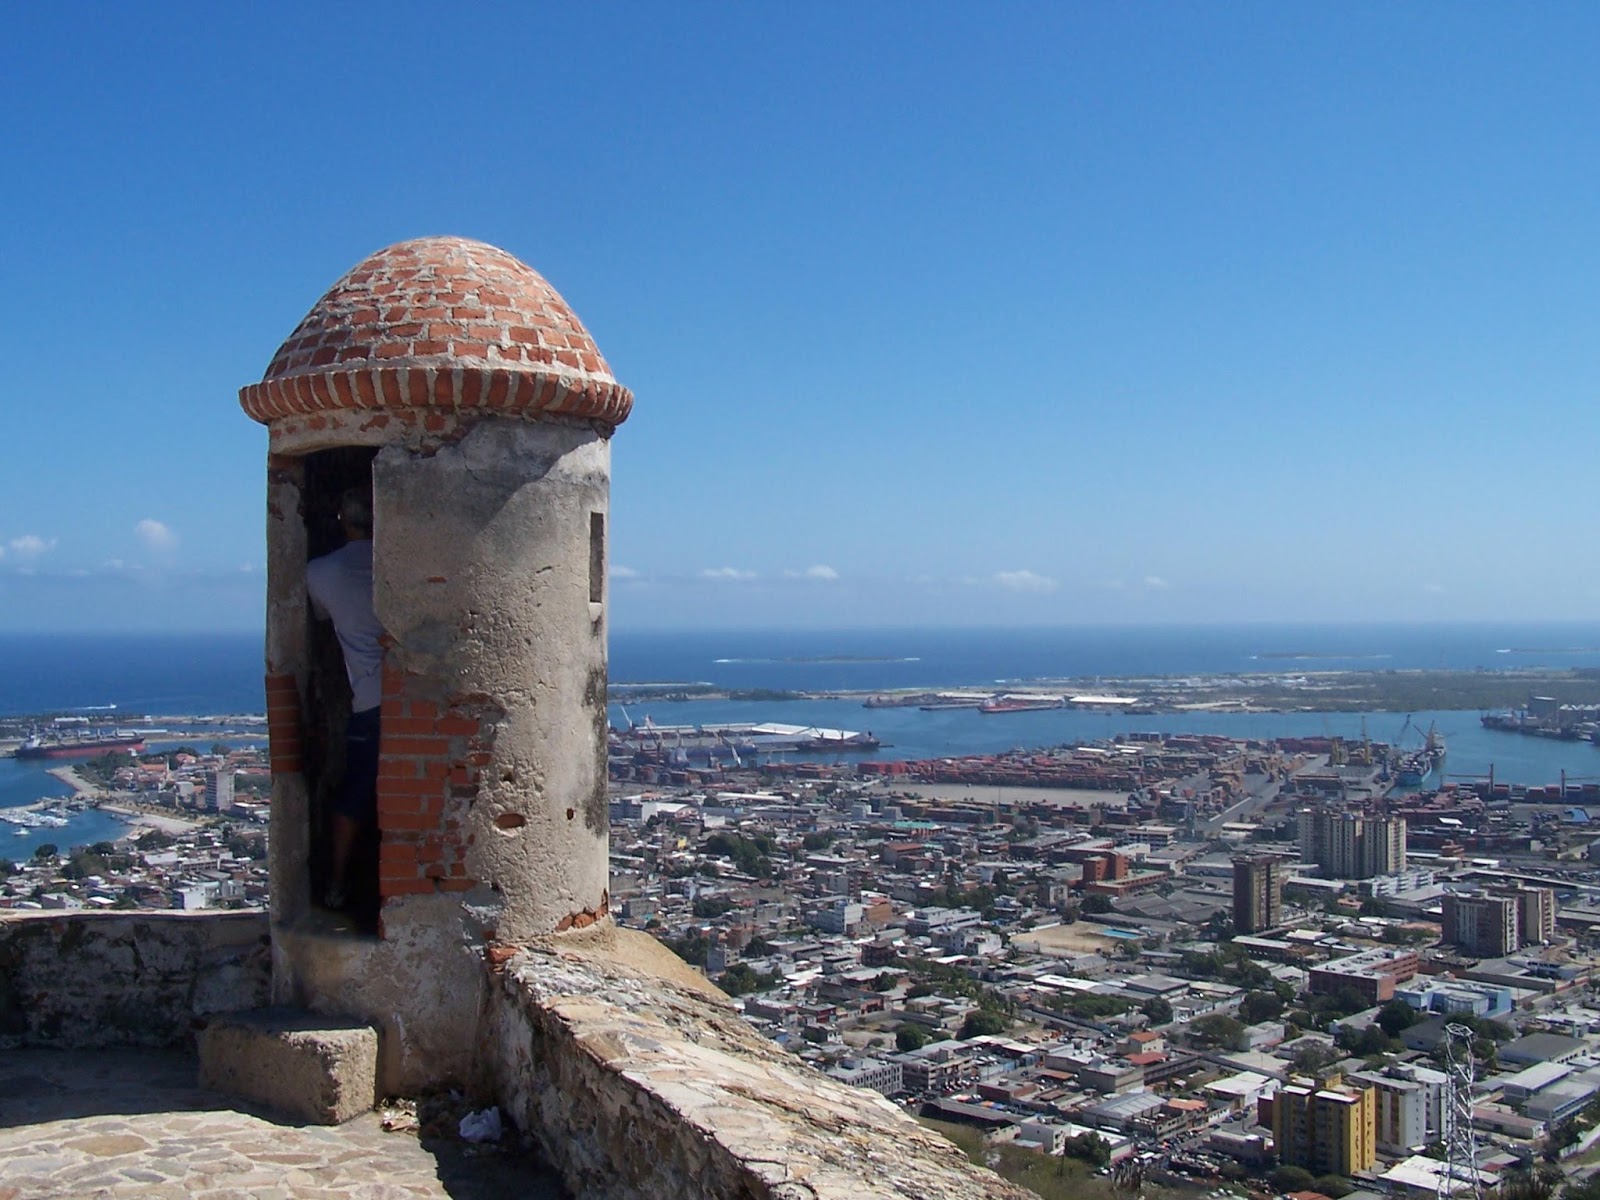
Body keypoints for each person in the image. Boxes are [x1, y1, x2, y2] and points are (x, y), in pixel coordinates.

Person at [306, 485, 384, 912]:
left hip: (370, 702)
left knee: (355, 796)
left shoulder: (321, 572)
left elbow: (320, 615)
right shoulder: (404, 567)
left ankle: (337, 885)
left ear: (341, 519)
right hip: (421, 700)